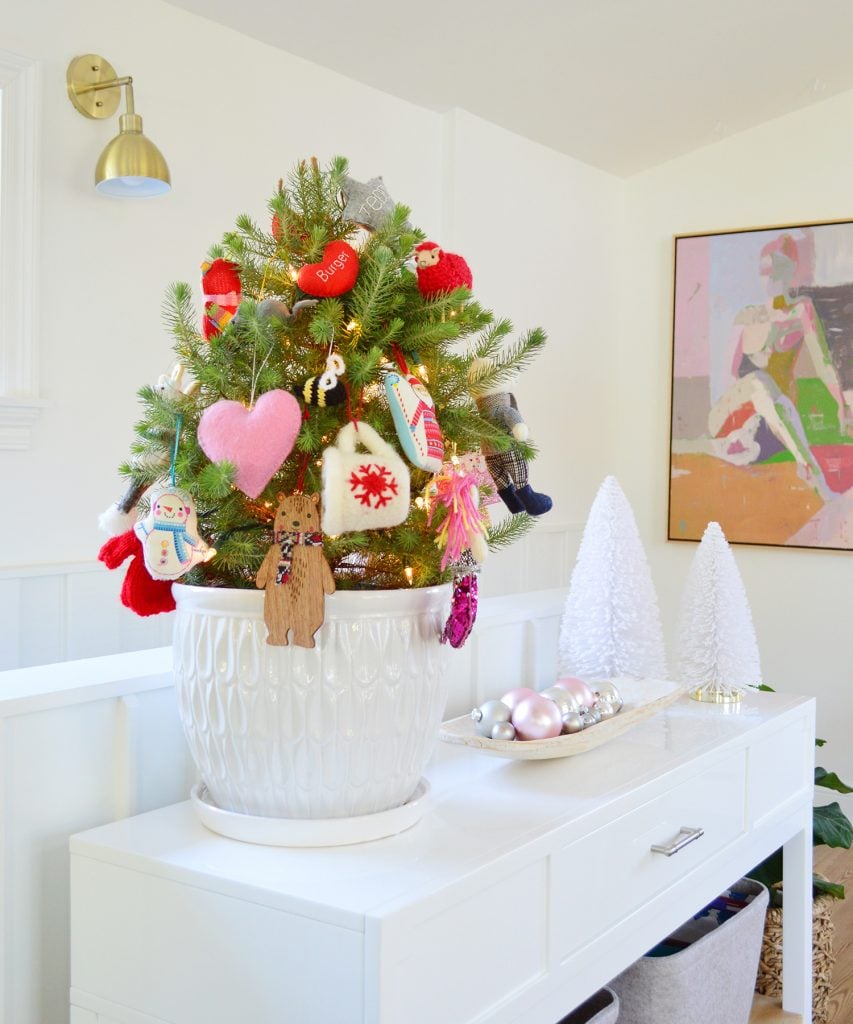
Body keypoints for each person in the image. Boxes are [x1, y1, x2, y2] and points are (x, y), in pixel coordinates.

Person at [707, 232, 852, 500]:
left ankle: (766, 451)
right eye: (764, 269)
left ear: (790, 272)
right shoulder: (747, 316)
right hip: (733, 418)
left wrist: (841, 408)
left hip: (772, 429)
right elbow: (729, 376)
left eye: (777, 268)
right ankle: (809, 470)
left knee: (775, 398)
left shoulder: (801, 311)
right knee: (758, 382)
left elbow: (823, 364)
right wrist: (744, 420)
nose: (769, 276)